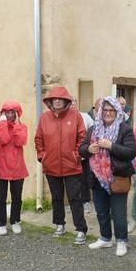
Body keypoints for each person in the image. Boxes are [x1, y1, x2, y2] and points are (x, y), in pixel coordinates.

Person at [79, 96, 136, 256]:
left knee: (118, 213)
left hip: (116, 177)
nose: (108, 113)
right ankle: (105, 238)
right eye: (105, 110)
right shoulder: (93, 129)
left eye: (112, 110)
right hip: (97, 178)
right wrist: (88, 149)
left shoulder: (124, 129)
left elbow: (131, 152)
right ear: (100, 112)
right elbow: (81, 149)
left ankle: (122, 240)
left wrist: (111, 146)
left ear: (118, 111)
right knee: (102, 211)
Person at [35, 86, 88, 245]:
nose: (57, 101)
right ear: (50, 101)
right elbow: (39, 139)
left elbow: (82, 137)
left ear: (66, 101)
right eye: (54, 99)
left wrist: (76, 155)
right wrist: (42, 155)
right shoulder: (45, 118)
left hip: (72, 166)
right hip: (51, 165)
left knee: (74, 199)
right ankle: (59, 225)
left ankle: (80, 230)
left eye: (60, 99)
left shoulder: (75, 115)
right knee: (56, 198)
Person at [0, 100, 29, 235]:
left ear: (17, 114)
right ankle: (1, 223)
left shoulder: (22, 127)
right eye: (6, 112)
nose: (9, 115)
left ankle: (15, 221)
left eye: (12, 112)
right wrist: (2, 123)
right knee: (0, 198)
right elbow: (4, 139)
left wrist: (17, 125)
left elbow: (20, 141)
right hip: (1, 167)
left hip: (18, 168)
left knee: (17, 197)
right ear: (3, 114)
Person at [71, 96, 94, 213]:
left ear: (77, 104)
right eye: (70, 104)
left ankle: (85, 202)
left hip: (83, 153)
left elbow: (93, 128)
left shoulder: (85, 116)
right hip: (70, 154)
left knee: (84, 178)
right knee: (73, 180)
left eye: (73, 103)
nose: (72, 106)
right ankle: (75, 203)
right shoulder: (65, 118)